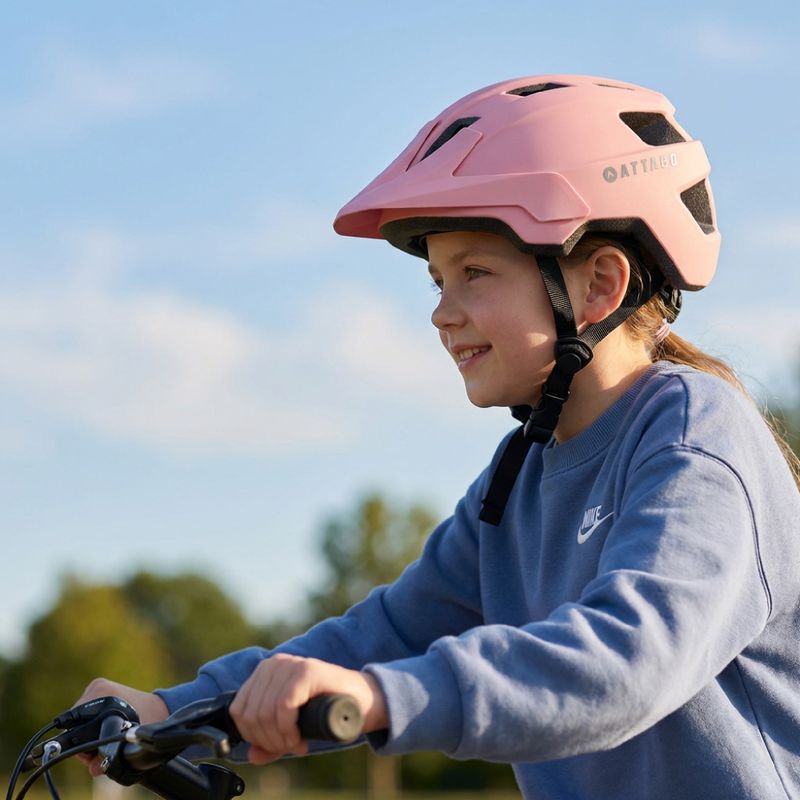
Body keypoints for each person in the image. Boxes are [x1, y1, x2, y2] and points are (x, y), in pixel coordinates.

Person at [77, 74, 800, 799]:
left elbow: (629, 660)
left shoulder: (694, 438)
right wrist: (170, 708)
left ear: (599, 286)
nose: (442, 314)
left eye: (475, 273)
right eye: (436, 282)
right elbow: (386, 635)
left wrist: (388, 701)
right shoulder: (515, 479)